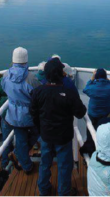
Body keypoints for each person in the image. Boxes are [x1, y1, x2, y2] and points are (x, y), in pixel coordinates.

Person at [30, 58, 87, 197]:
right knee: (64, 166)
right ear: (60, 74)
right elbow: (80, 113)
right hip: (63, 136)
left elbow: (33, 114)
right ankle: (64, 193)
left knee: (45, 163)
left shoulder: (38, 92)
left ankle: (43, 190)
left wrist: (41, 128)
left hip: (46, 135)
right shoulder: (69, 92)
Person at [0, 46, 41, 173]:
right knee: (37, 132)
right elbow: (38, 94)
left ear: (13, 60)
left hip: (12, 115)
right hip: (29, 114)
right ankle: (18, 154)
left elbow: (4, 88)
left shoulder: (5, 76)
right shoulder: (31, 78)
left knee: (21, 139)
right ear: (26, 60)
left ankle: (26, 165)